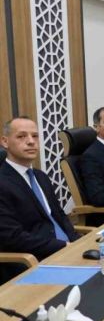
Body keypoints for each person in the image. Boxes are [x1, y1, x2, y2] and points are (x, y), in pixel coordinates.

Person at [0, 117, 79, 276]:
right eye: (21, 136)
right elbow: (12, 237)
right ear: (5, 142)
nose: (31, 142)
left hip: (67, 251)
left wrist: (77, 242)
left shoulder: (40, 176)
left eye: (35, 136)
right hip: (34, 261)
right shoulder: (2, 182)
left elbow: (59, 215)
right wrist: (63, 246)